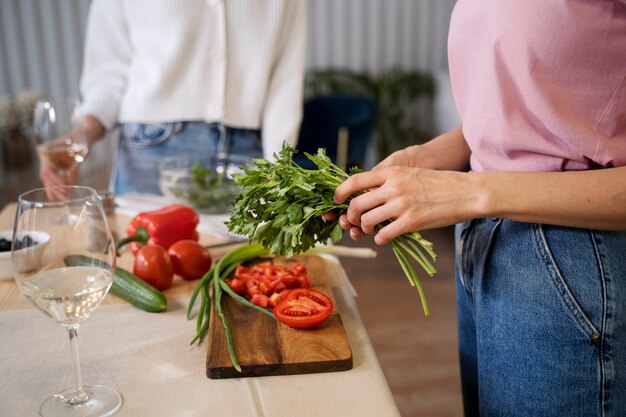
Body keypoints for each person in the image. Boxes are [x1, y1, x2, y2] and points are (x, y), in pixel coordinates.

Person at [332, 2, 626, 416]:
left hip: (571, 254)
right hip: (485, 240)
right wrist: (431, 155)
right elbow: (529, 106)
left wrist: (468, 191)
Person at [39, 0, 305, 195]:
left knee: (254, 269)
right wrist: (83, 133)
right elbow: (109, 74)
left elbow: (285, 82)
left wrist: (278, 169)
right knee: (138, 266)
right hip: (151, 155)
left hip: (249, 156)